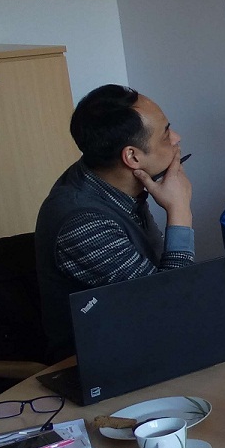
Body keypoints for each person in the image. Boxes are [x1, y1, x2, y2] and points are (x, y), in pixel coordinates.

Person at [35, 84, 194, 357]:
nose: (177, 138)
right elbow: (169, 309)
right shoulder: (83, 223)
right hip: (101, 361)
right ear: (132, 157)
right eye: (166, 134)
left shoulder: (110, 180)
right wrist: (180, 212)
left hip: (144, 341)